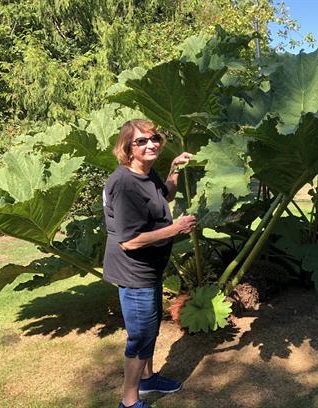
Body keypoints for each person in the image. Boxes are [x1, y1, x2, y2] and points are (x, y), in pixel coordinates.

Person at [102, 119, 196, 408]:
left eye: (154, 138)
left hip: (150, 269)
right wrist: (175, 229)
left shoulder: (145, 174)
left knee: (150, 328)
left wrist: (174, 170)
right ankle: (129, 401)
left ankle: (147, 379)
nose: (150, 144)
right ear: (127, 148)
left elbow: (164, 194)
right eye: (140, 141)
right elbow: (129, 241)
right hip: (134, 273)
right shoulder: (125, 184)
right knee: (141, 336)